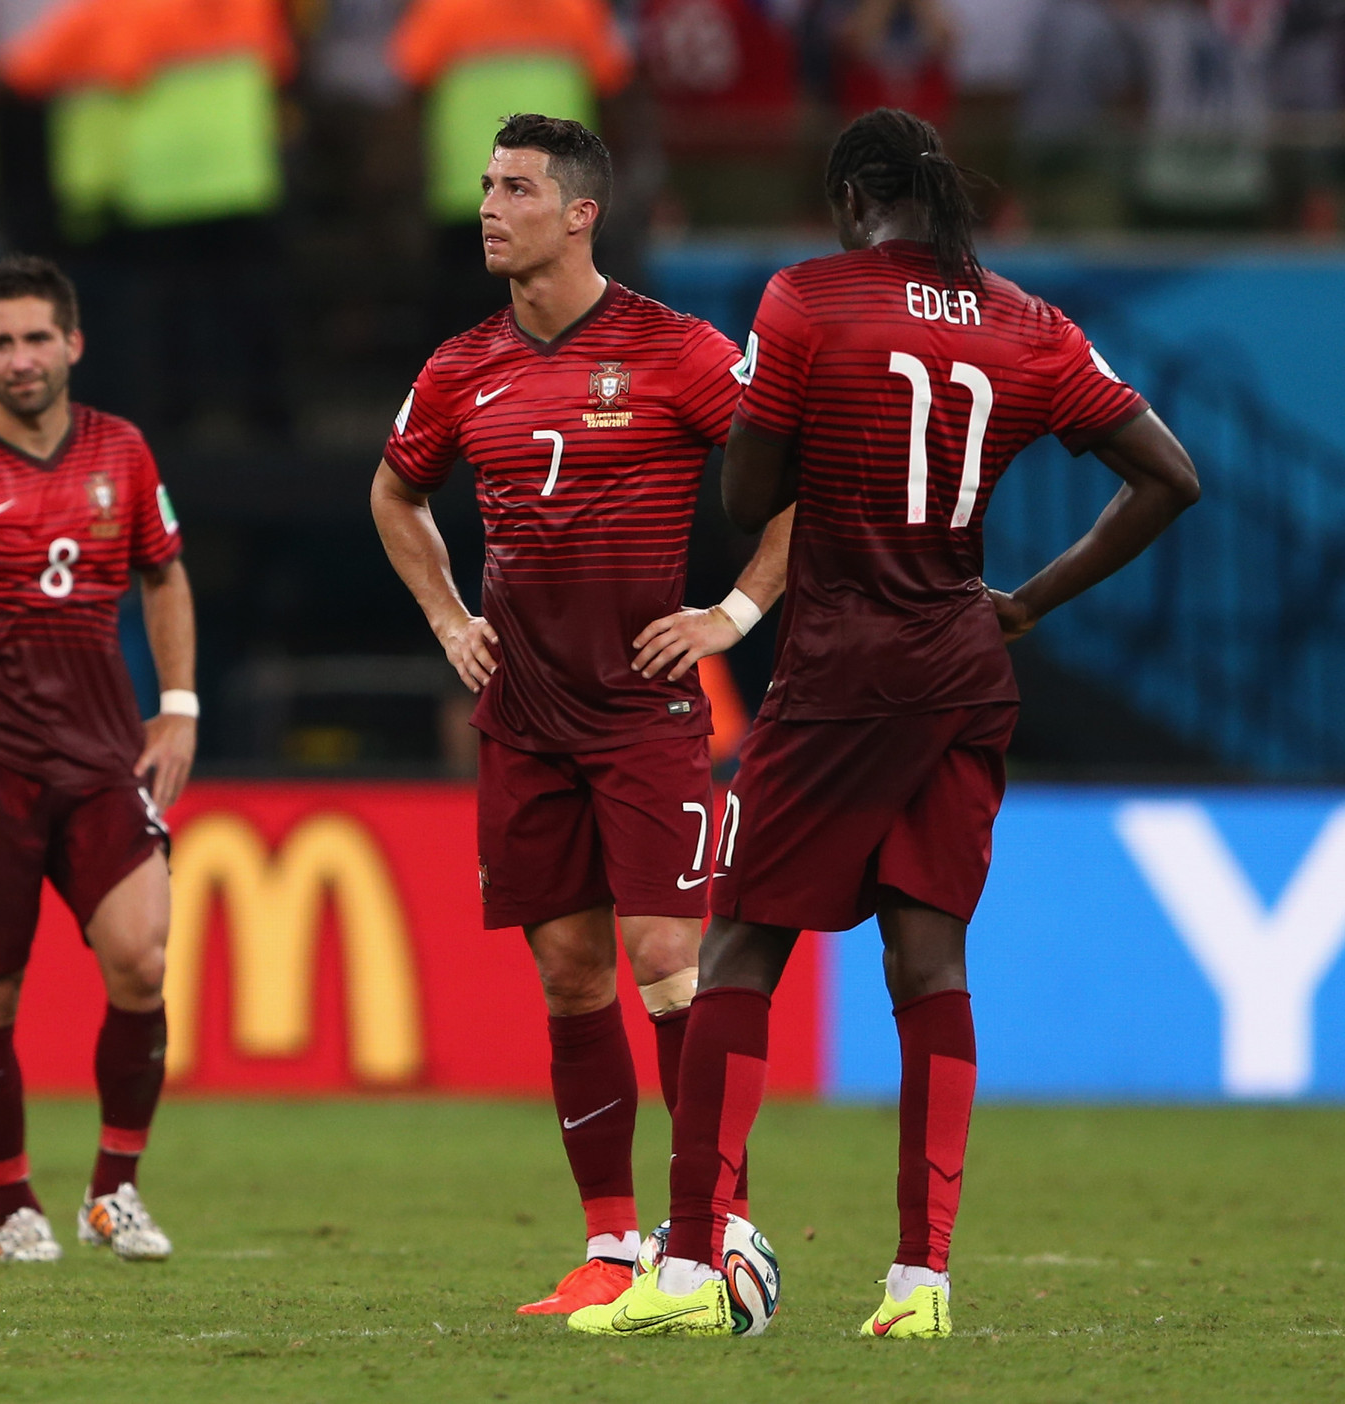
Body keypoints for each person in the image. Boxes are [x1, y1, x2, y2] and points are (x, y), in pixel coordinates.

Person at [575, 107, 1200, 1341]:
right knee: (929, 964)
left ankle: (693, 1269)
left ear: (851, 198)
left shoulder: (809, 299)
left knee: (744, 945)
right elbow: (1168, 477)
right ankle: (919, 1286)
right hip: (962, 673)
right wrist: (1025, 599)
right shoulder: (1029, 324)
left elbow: (747, 491)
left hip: (837, 670)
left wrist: (804, 426)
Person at [370, 113, 790, 1317]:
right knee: (567, 977)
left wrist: (730, 616)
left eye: (514, 188)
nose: (489, 208)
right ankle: (611, 1245)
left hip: (645, 714)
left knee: (665, 960)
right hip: (521, 716)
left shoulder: (679, 352)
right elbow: (395, 495)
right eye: (485, 187)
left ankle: (721, 1235)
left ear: (580, 212)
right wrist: (450, 619)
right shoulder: (459, 366)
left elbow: (794, 487)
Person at [0, 255, 197, 1265]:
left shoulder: (124, 452)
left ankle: (112, 1192)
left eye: (34, 338)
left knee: (142, 958)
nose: (19, 359)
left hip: (101, 753)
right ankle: (14, 1203)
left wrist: (177, 707)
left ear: (71, 343)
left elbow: (164, 576)